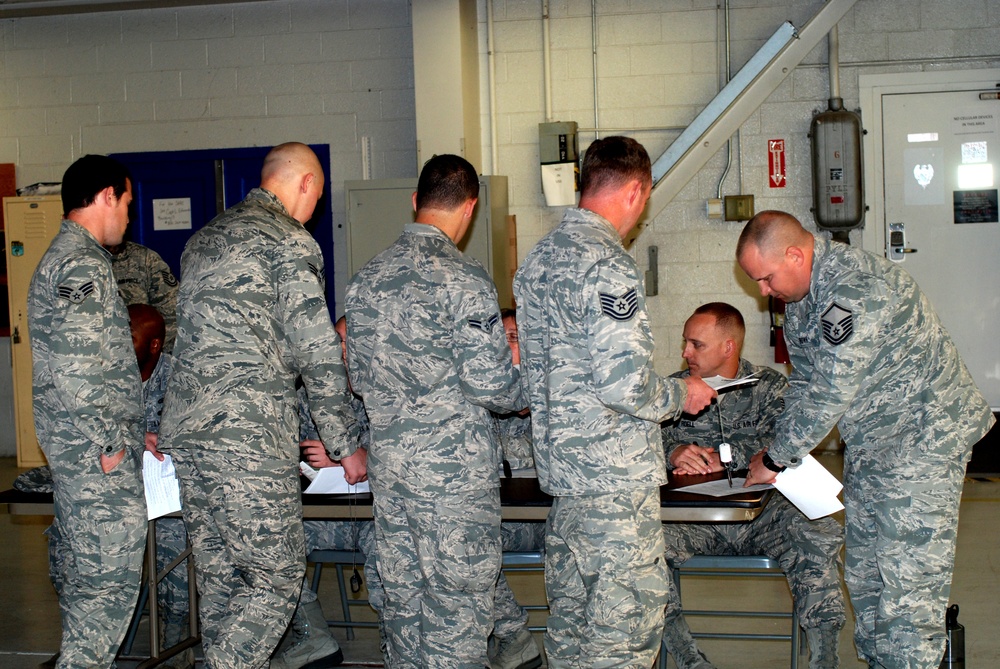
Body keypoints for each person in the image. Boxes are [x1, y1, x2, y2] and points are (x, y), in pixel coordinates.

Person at [737, 211, 994, 669]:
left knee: (906, 588)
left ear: (796, 254)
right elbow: (805, 384)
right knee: (865, 577)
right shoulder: (799, 302)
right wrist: (776, 447)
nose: (763, 291)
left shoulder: (852, 288)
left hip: (923, 439)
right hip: (874, 442)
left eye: (766, 277)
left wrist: (776, 459)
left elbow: (832, 391)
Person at [512, 136, 716, 667]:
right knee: (623, 633)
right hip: (614, 491)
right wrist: (681, 393)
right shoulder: (608, 265)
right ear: (635, 191)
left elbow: (532, 375)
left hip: (565, 486)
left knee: (572, 627)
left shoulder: (536, 263)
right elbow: (625, 385)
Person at [159, 142, 364, 669]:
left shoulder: (202, 241)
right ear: (305, 184)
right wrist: (345, 445)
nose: (314, 209)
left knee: (224, 579)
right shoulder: (290, 242)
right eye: (315, 195)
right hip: (246, 436)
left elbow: (182, 340)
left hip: (190, 433)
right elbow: (317, 349)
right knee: (276, 579)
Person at [345, 154, 525, 667]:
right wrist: (532, 387)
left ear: (414, 201)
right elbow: (492, 385)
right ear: (470, 208)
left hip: (392, 474)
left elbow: (357, 379)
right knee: (457, 614)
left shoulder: (366, 280)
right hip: (453, 484)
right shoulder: (464, 280)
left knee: (403, 611)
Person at [660, 302, 845, 669]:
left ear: (729, 347)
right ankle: (689, 659)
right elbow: (641, 441)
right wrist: (673, 450)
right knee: (637, 552)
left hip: (763, 516)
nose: (685, 352)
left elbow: (782, 439)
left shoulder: (770, 386)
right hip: (693, 520)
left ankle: (825, 658)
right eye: (686, 343)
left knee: (818, 533)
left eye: (697, 344)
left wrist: (725, 456)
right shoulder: (671, 391)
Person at [27, 154, 148, 669]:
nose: (128, 214)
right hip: (96, 460)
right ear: (104, 196)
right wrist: (110, 443)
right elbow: (76, 369)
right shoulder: (80, 264)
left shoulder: (68, 258)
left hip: (83, 454)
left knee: (88, 595)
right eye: (125, 202)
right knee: (105, 598)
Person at [128, 303, 194, 669]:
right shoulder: (106, 377)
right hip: (118, 491)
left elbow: (198, 433)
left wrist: (163, 438)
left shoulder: (181, 378)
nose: (119, 344)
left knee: (172, 547)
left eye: (130, 336)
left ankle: (174, 646)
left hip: (166, 493)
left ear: (154, 345)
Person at [109, 240, 179, 352]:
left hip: (141, 361)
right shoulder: (76, 259)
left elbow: (174, 320)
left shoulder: (144, 259)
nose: (126, 221)